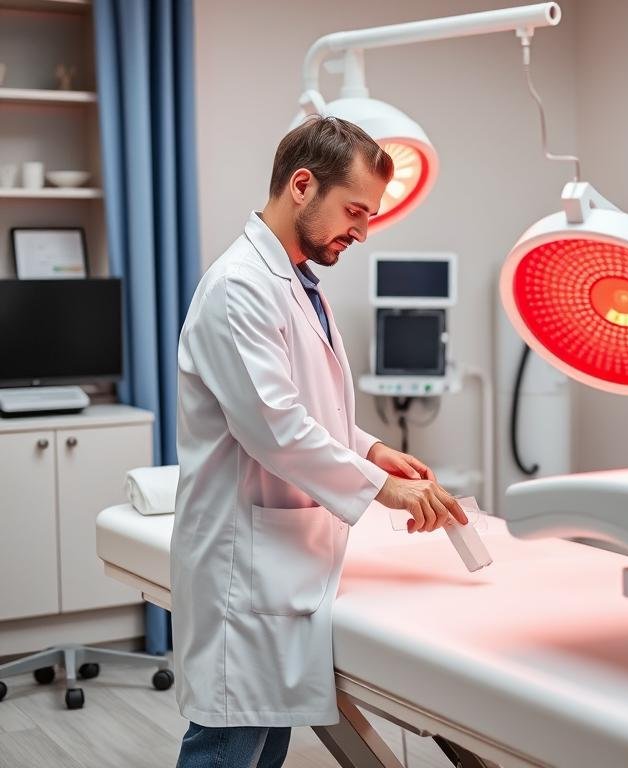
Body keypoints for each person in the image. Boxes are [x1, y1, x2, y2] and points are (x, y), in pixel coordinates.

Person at [170, 116, 467, 768]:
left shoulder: (298, 280)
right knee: (227, 747)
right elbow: (277, 429)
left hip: (285, 563)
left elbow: (302, 406)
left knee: (264, 744)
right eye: (355, 210)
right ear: (302, 185)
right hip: (241, 568)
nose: (363, 231)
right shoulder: (239, 288)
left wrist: (369, 449)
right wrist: (383, 488)